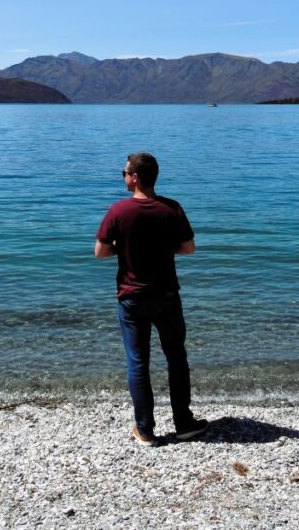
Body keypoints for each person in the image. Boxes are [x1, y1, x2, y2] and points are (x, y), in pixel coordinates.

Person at [95, 152, 207, 446]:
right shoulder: (172, 208)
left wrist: (124, 247)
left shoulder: (118, 211)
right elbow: (189, 248)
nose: (123, 176)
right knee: (176, 358)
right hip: (167, 296)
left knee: (138, 362)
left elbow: (100, 252)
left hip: (133, 297)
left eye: (124, 172)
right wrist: (163, 248)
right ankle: (184, 423)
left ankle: (145, 429)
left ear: (135, 178)